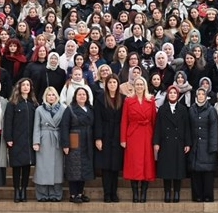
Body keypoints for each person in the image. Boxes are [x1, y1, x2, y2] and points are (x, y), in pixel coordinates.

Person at [120, 76, 157, 203]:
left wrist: (155, 139)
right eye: (137, 84)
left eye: (141, 84)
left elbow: (154, 121)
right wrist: (123, 139)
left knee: (147, 164)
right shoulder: (128, 100)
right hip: (133, 134)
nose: (139, 86)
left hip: (147, 134)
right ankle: (135, 193)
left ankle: (144, 192)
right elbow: (124, 120)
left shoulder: (151, 100)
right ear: (134, 86)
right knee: (134, 164)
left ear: (145, 86)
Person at [3, 78, 37, 202]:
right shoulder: (12, 103)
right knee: (17, 167)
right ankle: (17, 190)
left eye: (28, 85)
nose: (26, 87)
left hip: (29, 140)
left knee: (27, 167)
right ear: (19, 87)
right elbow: (8, 122)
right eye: (23, 85)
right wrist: (8, 138)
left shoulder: (33, 104)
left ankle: (24, 190)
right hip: (16, 140)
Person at [94, 74, 124, 202]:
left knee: (115, 166)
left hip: (117, 134)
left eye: (114, 82)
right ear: (106, 84)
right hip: (105, 133)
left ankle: (114, 193)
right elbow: (97, 119)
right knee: (106, 166)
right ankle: (107, 193)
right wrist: (98, 138)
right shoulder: (100, 98)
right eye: (110, 82)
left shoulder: (123, 99)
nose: (112, 85)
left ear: (118, 84)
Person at [62, 87, 95, 203]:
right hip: (74, 139)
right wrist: (65, 144)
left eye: (84, 94)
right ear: (75, 97)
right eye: (79, 94)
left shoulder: (90, 109)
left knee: (85, 167)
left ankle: (80, 193)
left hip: (88, 140)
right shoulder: (70, 109)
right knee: (74, 167)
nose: (82, 96)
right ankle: (73, 194)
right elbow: (64, 127)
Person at [33, 86, 65, 202]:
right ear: (45, 97)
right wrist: (36, 142)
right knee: (42, 167)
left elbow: (65, 126)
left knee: (57, 168)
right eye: (49, 95)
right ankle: (42, 194)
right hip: (44, 139)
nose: (51, 97)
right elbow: (36, 126)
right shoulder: (39, 109)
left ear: (57, 96)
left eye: (53, 95)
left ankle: (56, 194)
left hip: (57, 139)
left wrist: (65, 142)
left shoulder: (62, 109)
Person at [187, 86, 218, 202]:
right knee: (195, 172)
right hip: (195, 146)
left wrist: (213, 146)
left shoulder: (211, 110)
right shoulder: (192, 109)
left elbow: (214, 129)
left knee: (207, 172)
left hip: (207, 146)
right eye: (198, 94)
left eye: (202, 94)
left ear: (206, 97)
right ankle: (197, 196)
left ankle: (207, 196)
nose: (200, 96)